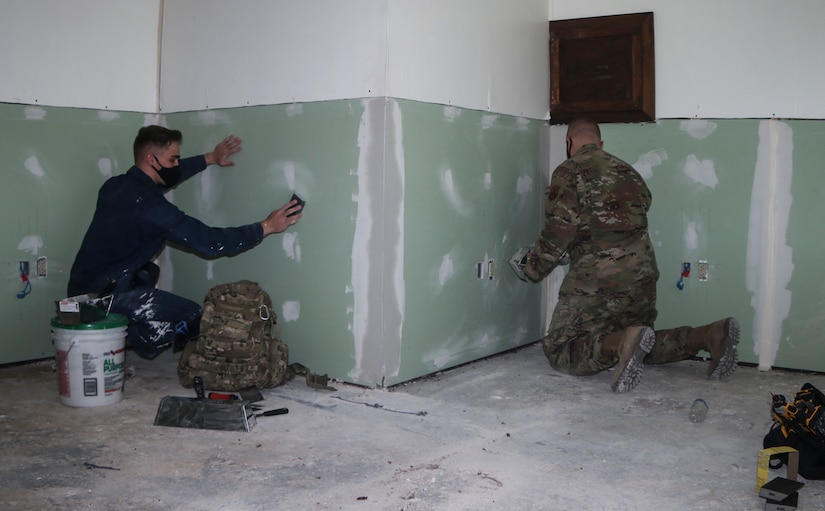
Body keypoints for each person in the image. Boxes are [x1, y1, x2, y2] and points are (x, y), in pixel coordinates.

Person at [514, 118, 739, 393]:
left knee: (562, 349)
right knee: (644, 346)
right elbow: (619, 220)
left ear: (569, 143)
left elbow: (558, 231)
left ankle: (621, 344)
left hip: (598, 282)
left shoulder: (569, 170)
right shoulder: (630, 172)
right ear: (601, 144)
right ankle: (709, 335)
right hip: (642, 279)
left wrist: (531, 268)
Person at [67, 125, 303, 359]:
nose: (177, 165)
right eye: (173, 160)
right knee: (192, 315)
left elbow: (162, 180)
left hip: (81, 292)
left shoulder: (115, 187)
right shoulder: (152, 209)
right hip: (102, 299)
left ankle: (133, 330)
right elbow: (210, 242)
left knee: (148, 272)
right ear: (151, 159)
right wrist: (267, 226)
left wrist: (210, 158)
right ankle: (146, 340)